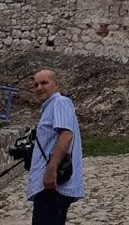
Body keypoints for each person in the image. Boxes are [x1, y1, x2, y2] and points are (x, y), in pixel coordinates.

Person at [28, 69, 84, 225]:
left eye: (44, 83)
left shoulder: (59, 102)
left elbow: (66, 135)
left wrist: (51, 170)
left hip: (53, 185)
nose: (39, 87)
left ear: (57, 85)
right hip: (50, 185)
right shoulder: (51, 106)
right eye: (36, 84)